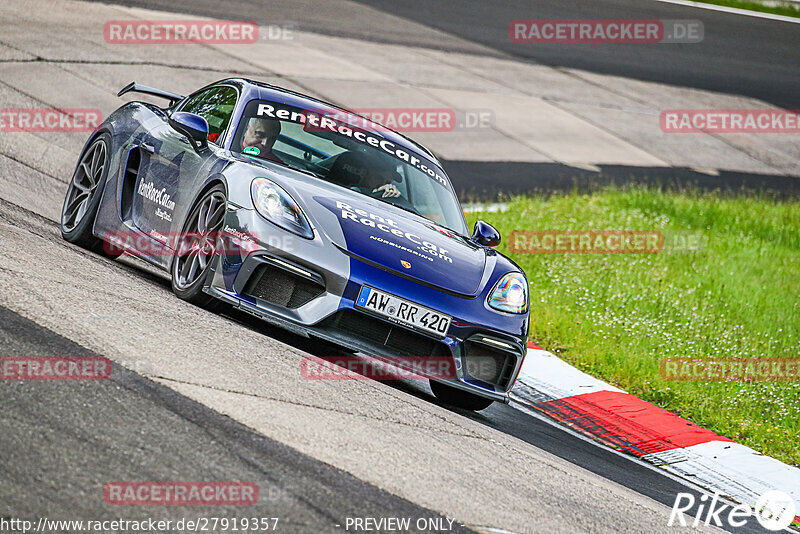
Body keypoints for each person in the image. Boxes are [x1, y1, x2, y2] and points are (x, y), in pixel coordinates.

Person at [327, 152, 401, 199]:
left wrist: (392, 196)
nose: (382, 185)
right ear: (363, 173)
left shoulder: (388, 200)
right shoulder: (339, 190)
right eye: (379, 178)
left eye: (388, 182)